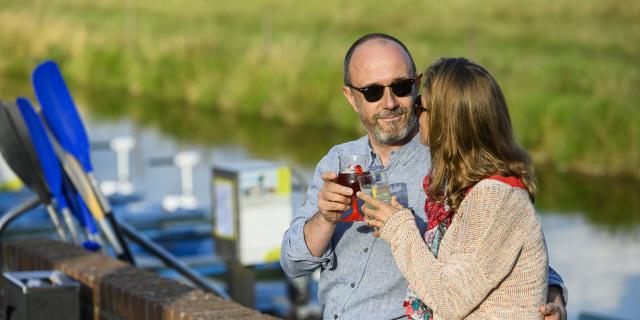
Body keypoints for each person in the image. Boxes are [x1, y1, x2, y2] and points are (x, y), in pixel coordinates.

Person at [280, 33, 567, 320]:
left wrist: (553, 296)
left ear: (417, 85)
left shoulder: (450, 162)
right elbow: (293, 264)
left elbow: (509, 245)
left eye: (401, 87)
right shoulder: (338, 160)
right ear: (352, 98)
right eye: (372, 92)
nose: (390, 102)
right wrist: (325, 218)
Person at [358, 57, 548, 319]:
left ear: (447, 121)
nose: (414, 114)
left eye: (420, 106)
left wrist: (399, 227)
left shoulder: (496, 198)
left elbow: (450, 299)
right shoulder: (472, 187)